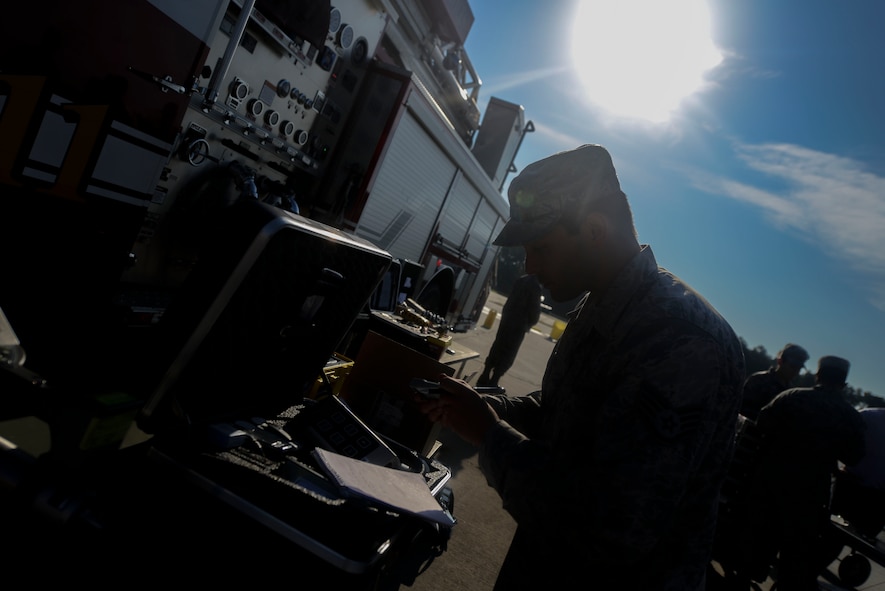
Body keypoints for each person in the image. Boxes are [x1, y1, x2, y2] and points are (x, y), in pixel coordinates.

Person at [417, 144, 746, 590]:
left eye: (542, 248)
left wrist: (489, 435)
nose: (529, 268)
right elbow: (569, 409)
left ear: (594, 229)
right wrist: (487, 409)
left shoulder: (682, 341)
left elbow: (612, 527)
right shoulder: (607, 299)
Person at [731, 356, 865, 591]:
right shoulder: (851, 417)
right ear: (843, 384)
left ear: (817, 376)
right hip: (810, 496)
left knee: (754, 545)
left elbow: (761, 424)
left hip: (768, 484)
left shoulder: (790, 397)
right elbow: (854, 457)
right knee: (795, 557)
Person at [476, 273, 542, 387]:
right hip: (519, 325)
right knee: (509, 352)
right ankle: (494, 379)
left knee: (498, 345)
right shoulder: (535, 287)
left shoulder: (521, 280)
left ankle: (485, 373)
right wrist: (531, 322)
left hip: (507, 319)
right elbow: (535, 309)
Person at [830, 407, 885, 539]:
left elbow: (833, 441)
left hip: (857, 490)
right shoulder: (867, 416)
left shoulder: (866, 415)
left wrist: (835, 470)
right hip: (862, 493)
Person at [739, 343, 809, 421]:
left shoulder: (791, 392)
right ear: (780, 361)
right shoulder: (758, 380)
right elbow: (741, 409)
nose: (796, 371)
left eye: (799, 368)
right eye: (793, 366)